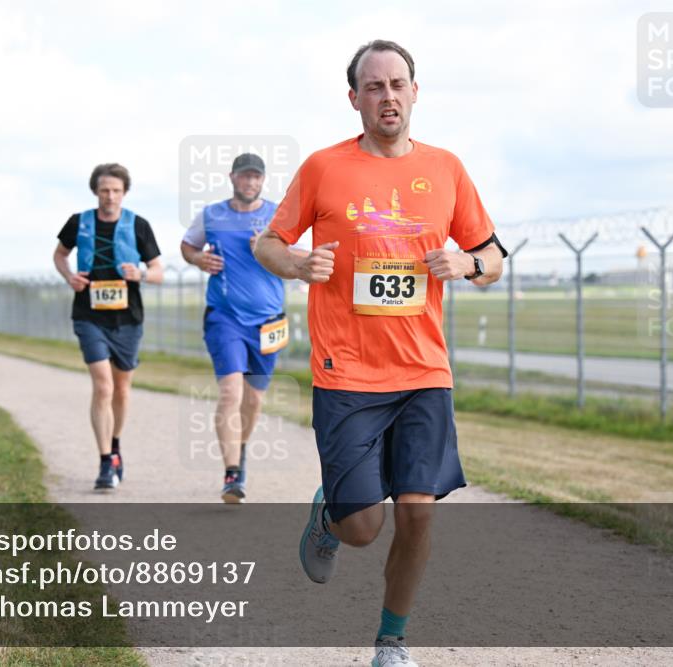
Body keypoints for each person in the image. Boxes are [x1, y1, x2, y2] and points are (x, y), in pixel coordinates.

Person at [253, 40, 507, 667]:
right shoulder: (323, 167)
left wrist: (468, 263)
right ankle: (330, 514)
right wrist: (297, 263)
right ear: (354, 99)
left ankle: (391, 642)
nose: (387, 96)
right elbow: (268, 242)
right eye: (374, 87)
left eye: (397, 84)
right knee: (363, 528)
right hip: (346, 372)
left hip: (424, 370)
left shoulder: (446, 169)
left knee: (419, 516)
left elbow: (493, 257)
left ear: (415, 92)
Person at [181, 153, 300, 503]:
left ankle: (240, 449)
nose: (251, 182)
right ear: (232, 177)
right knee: (231, 393)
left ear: (263, 180)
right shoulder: (212, 214)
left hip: (268, 320)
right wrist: (197, 259)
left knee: (253, 399)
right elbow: (188, 246)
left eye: (256, 177)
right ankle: (232, 474)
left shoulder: (278, 215)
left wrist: (268, 251)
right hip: (225, 316)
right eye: (245, 176)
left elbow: (297, 258)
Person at [53, 163, 164, 491]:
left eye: (116, 191)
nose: (110, 196)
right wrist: (69, 276)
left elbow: (158, 271)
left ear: (124, 192)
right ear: (95, 192)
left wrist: (140, 274)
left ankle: (115, 446)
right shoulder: (78, 222)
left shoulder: (138, 225)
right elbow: (59, 255)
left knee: (121, 388)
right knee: (103, 386)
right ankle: (104, 462)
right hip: (88, 315)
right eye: (104, 190)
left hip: (128, 318)